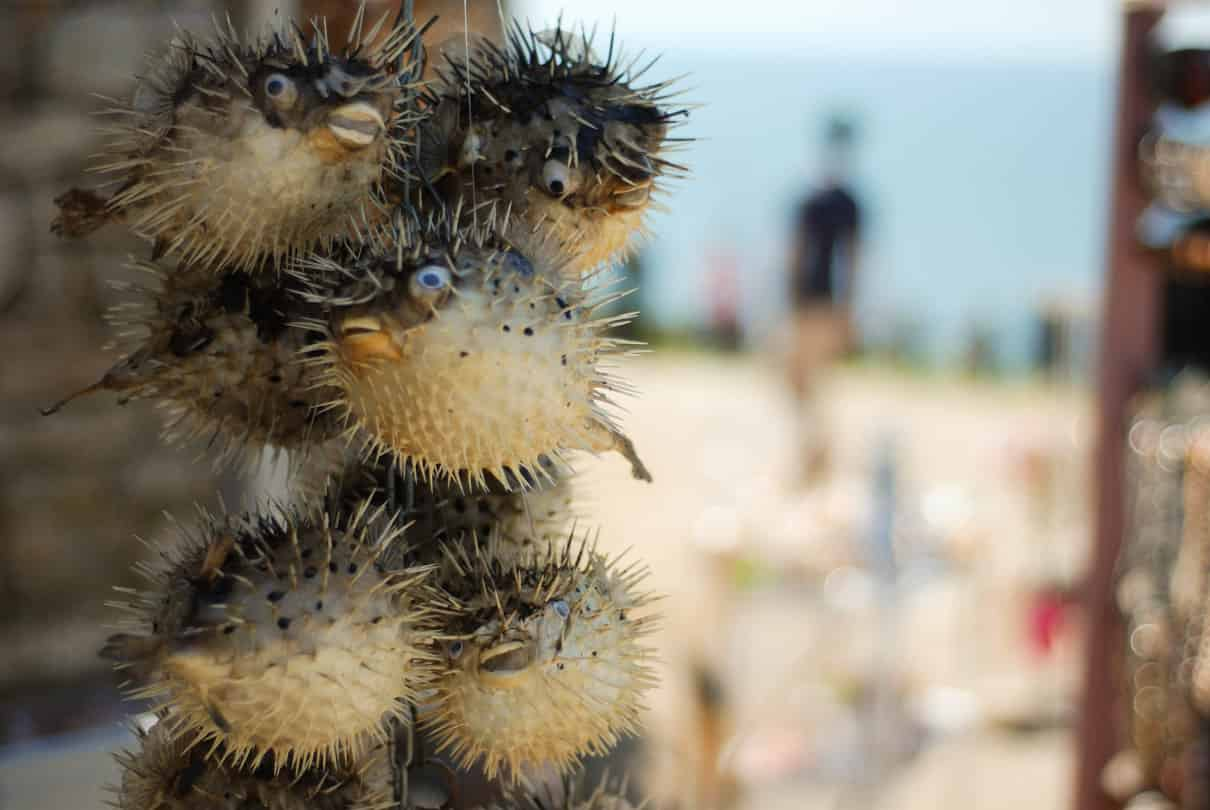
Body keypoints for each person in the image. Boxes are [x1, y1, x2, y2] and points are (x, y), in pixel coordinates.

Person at [786, 116, 863, 485]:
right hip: (818, 302)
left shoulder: (823, 200)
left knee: (807, 380)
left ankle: (815, 455)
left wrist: (847, 309)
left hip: (815, 303)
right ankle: (816, 451)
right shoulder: (835, 201)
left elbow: (847, 258)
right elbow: (852, 259)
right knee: (804, 380)